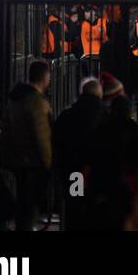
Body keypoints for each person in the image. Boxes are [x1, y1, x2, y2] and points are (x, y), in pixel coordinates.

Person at [0, 59, 53, 231]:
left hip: (16, 158)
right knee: (30, 205)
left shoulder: (15, 99)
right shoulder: (36, 102)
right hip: (32, 161)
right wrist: (48, 162)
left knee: (23, 202)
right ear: (45, 77)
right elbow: (42, 135)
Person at [52, 76, 105, 230]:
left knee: (73, 207)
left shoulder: (66, 115)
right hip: (95, 173)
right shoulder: (104, 115)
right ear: (99, 94)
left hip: (73, 171)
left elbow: (56, 141)